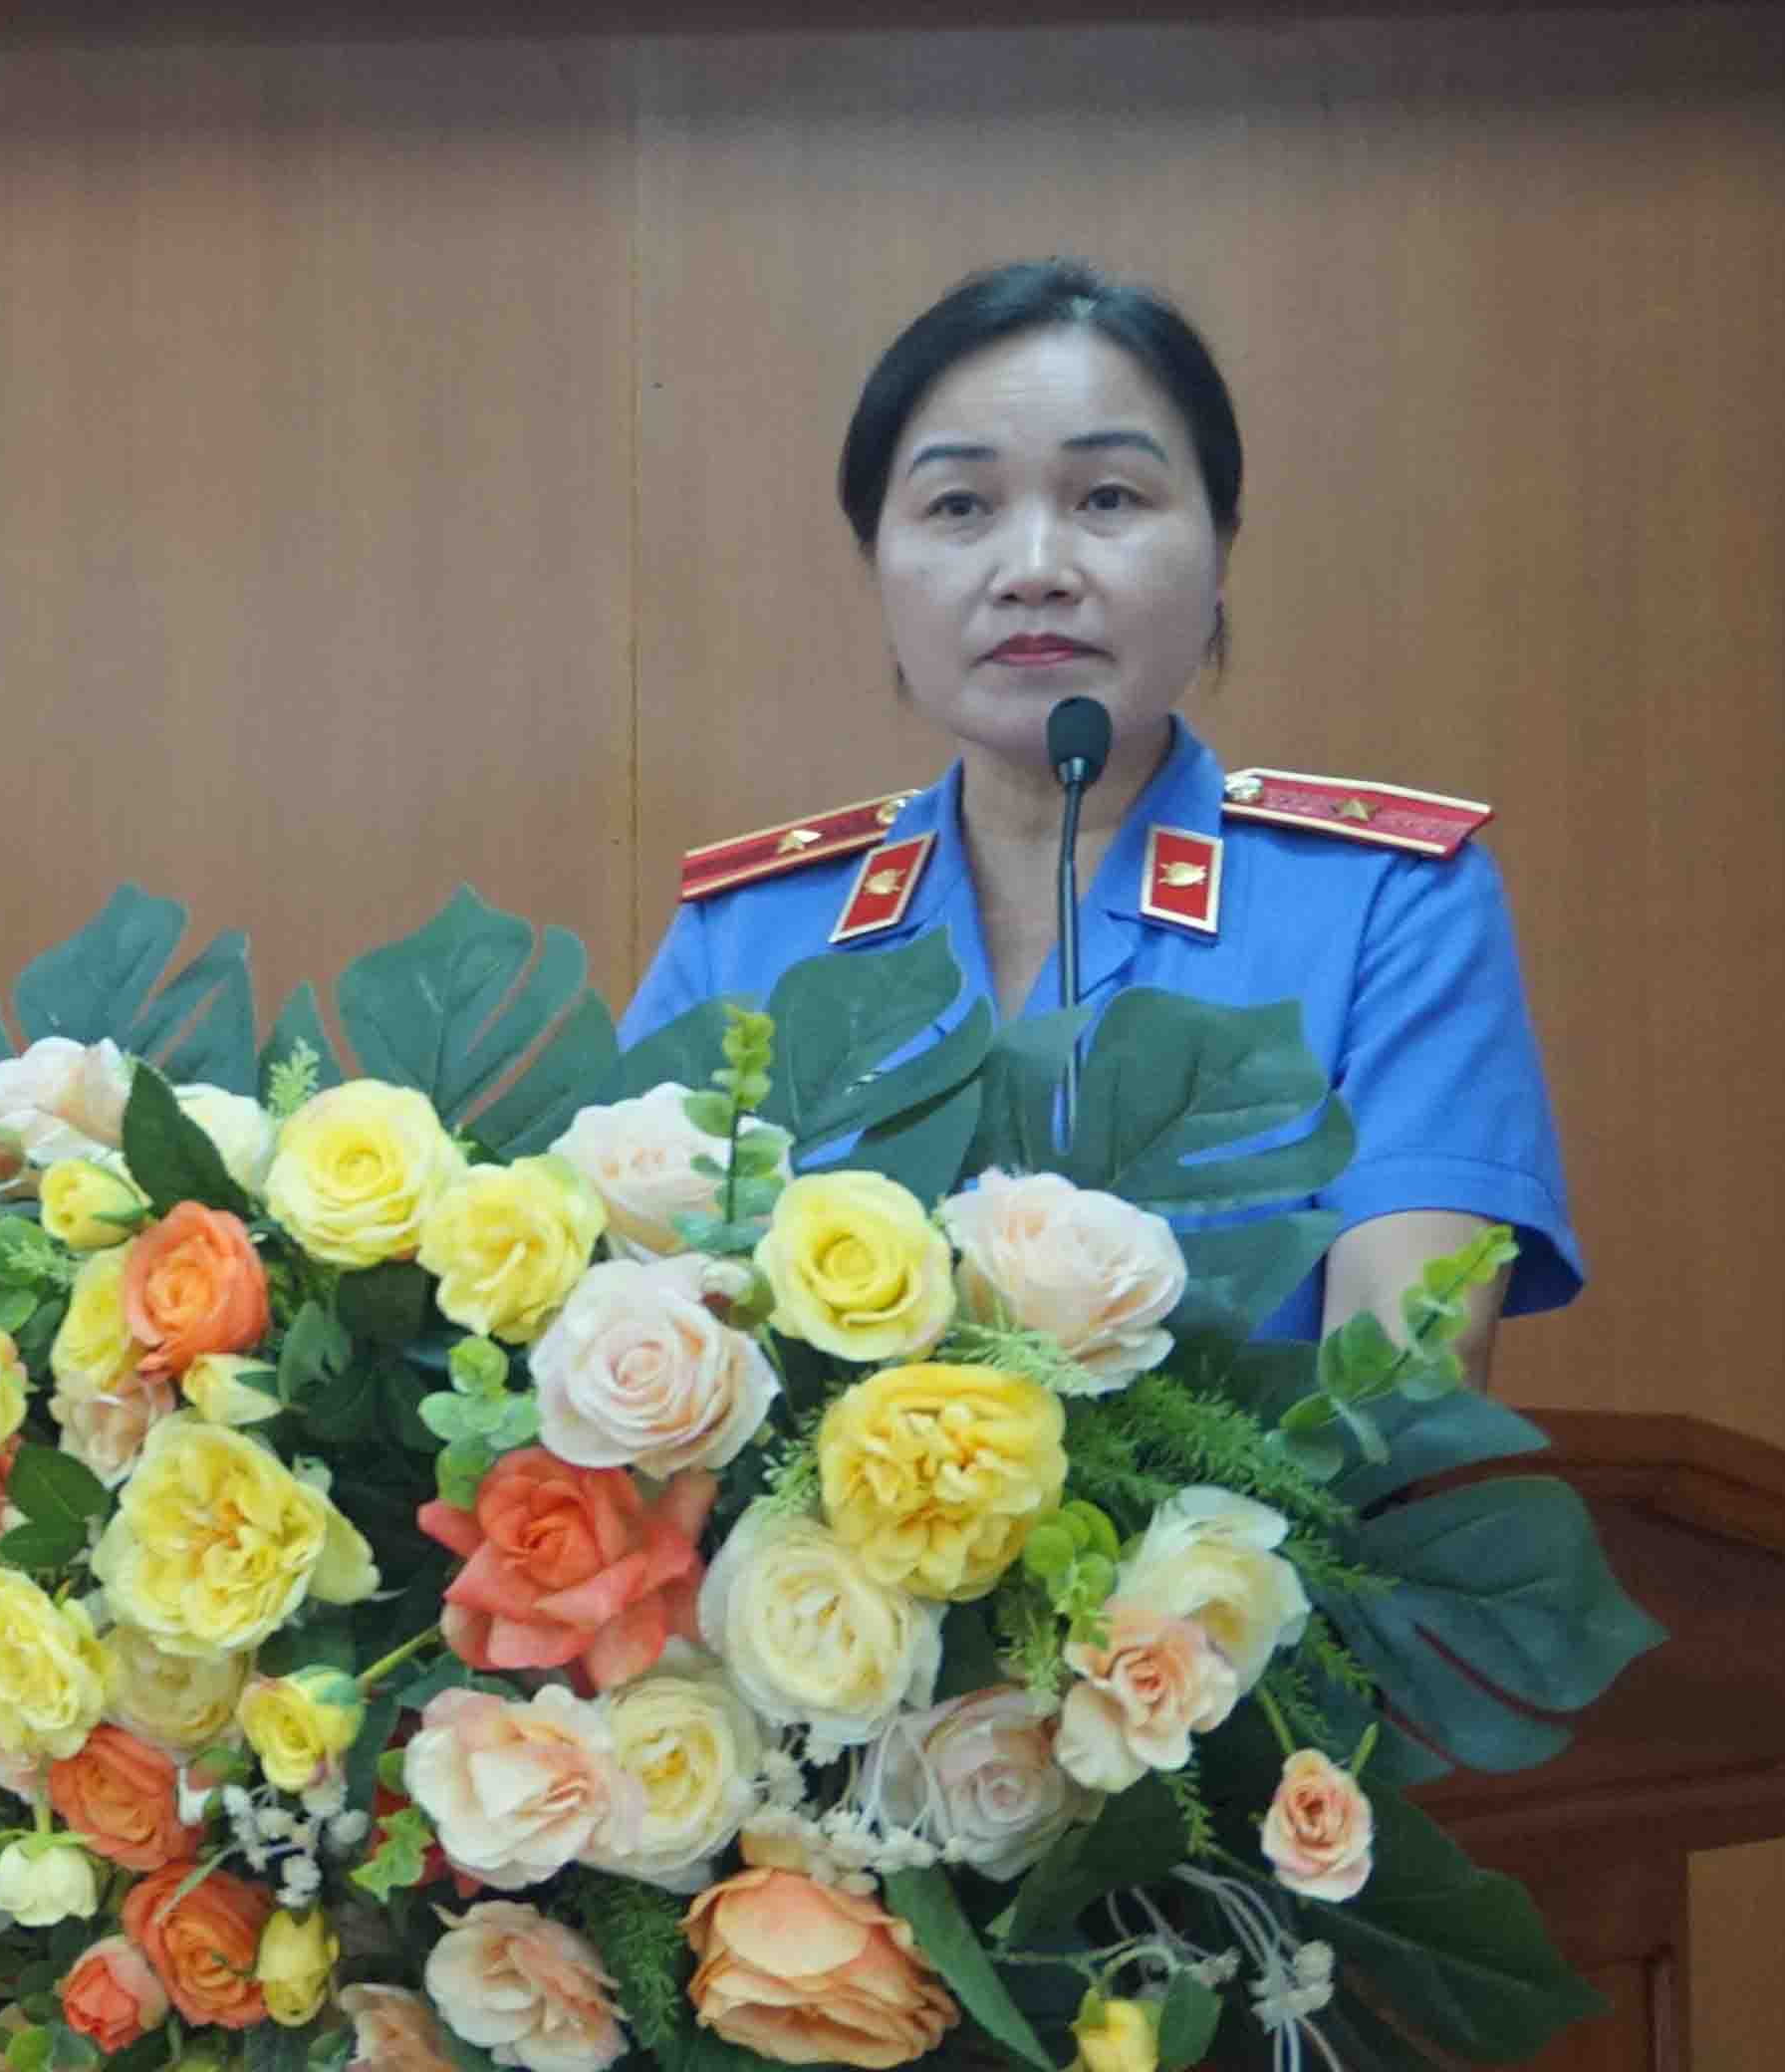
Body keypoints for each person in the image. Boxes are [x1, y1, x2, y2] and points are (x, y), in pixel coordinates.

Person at [617, 260, 1578, 1384]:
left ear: (1223, 545)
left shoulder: (1388, 906)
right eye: (959, 506)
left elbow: (1409, 1372)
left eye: (1108, 499)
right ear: (875, 561)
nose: (1034, 571)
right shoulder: (750, 933)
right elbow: (618, 1324)